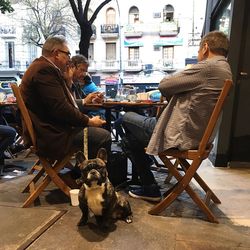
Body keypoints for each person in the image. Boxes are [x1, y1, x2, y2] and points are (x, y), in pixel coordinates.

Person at [121, 30, 232, 201]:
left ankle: (149, 186)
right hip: (200, 136)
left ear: (205, 47)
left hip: (180, 135)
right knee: (132, 139)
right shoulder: (225, 68)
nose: (198, 55)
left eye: (198, 50)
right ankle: (147, 177)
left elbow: (164, 85)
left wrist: (185, 72)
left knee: (125, 118)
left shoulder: (208, 67)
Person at [20, 35, 111, 164]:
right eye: (67, 54)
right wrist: (88, 121)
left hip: (52, 130)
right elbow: (60, 108)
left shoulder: (42, 67)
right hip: (52, 135)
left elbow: (60, 104)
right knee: (103, 136)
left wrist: (82, 99)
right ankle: (89, 177)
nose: (69, 60)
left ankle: (78, 174)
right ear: (56, 53)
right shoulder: (44, 70)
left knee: (98, 132)